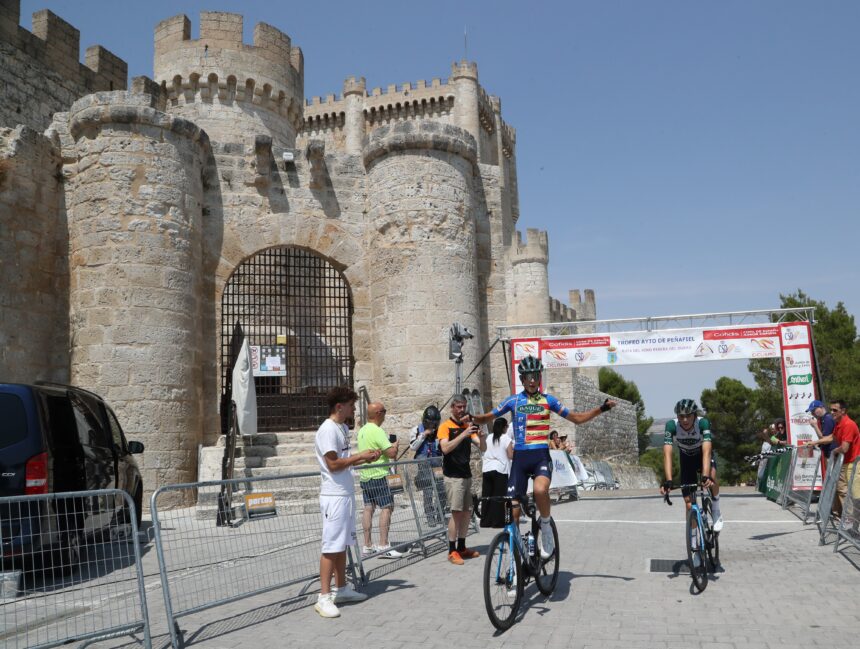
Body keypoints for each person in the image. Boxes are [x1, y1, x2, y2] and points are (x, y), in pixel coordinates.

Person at [471, 355, 616, 559]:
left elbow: (576, 418)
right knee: (512, 511)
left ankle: (546, 527)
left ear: (539, 377)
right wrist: (471, 418)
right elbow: (488, 417)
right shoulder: (513, 400)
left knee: (540, 490)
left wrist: (601, 408)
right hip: (520, 460)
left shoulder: (549, 401)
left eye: (536, 375)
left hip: (540, 456)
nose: (532, 379)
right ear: (522, 379)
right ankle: (516, 559)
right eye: (528, 376)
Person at [314, 386, 381, 618]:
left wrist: (365, 458)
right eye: (352, 405)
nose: (354, 408)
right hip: (333, 496)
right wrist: (360, 456)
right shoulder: (327, 430)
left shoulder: (342, 428)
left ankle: (341, 588)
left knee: (342, 544)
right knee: (330, 545)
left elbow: (345, 461)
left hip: (345, 493)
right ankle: (323, 596)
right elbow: (333, 464)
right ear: (339, 406)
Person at [659, 399, 723, 547]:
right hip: (686, 459)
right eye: (681, 416)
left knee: (712, 479)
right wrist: (668, 480)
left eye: (688, 416)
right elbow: (667, 454)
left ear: (694, 415)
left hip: (702, 457)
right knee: (689, 504)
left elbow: (707, 451)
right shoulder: (671, 426)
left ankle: (716, 509)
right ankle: (694, 544)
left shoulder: (702, 423)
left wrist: (705, 475)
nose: (685, 420)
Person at [437, 394, 487, 565]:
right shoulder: (445, 427)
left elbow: (482, 447)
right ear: (452, 407)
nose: (461, 410)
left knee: (467, 512)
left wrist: (480, 436)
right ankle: (452, 550)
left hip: (466, 474)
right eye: (458, 407)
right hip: (453, 476)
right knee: (456, 512)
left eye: (464, 406)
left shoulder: (467, 425)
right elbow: (445, 448)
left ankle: (462, 547)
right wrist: (463, 434)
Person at [357, 401, 403, 558]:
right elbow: (391, 453)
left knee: (368, 508)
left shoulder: (362, 430)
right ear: (378, 414)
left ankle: (367, 545)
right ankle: (383, 544)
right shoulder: (377, 431)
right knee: (387, 507)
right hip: (379, 475)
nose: (385, 413)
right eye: (384, 410)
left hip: (365, 476)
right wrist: (395, 445)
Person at [805, 400, 860, 522]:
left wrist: (834, 451)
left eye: (835, 410)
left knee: (855, 495)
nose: (832, 412)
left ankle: (851, 520)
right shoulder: (839, 423)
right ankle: (851, 522)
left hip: (854, 464)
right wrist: (815, 442)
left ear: (843, 411)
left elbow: (844, 448)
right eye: (831, 409)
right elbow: (831, 437)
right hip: (846, 462)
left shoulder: (847, 424)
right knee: (846, 491)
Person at [409, 405, 446, 527]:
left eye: (435, 423)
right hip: (423, 462)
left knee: (441, 489)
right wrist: (424, 434)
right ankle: (430, 516)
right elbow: (413, 446)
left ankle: (440, 514)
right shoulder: (416, 429)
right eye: (431, 423)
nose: (433, 426)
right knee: (428, 490)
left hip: (437, 463)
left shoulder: (440, 430)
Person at [480, 417, 514, 528]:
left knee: (487, 496)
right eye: (507, 426)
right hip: (500, 469)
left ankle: (485, 521)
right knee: (499, 497)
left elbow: (484, 449)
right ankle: (497, 521)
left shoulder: (489, 437)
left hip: (487, 468)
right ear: (504, 427)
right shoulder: (506, 438)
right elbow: (510, 455)